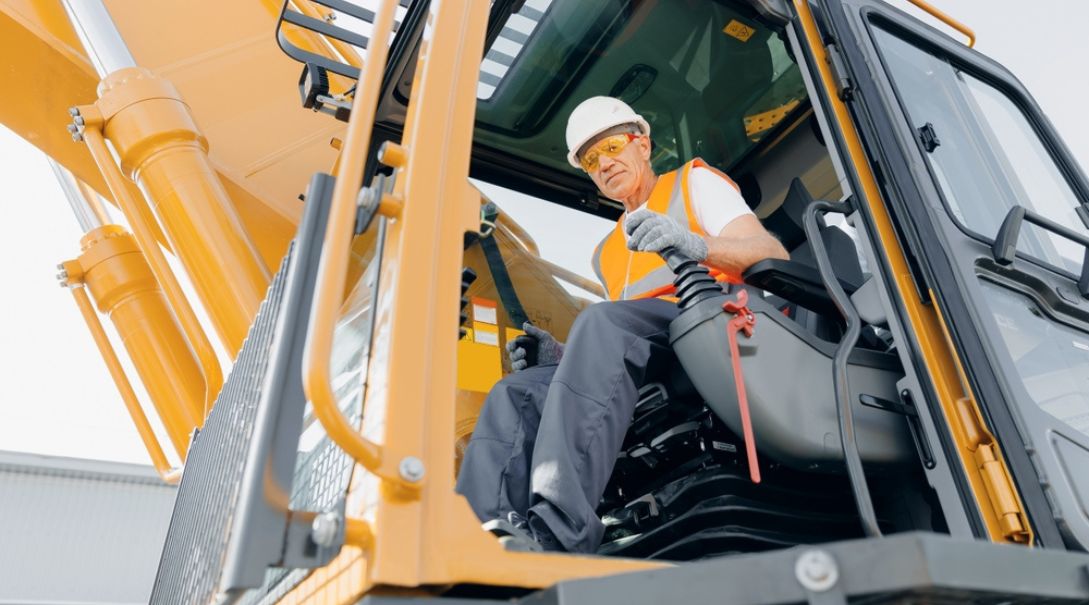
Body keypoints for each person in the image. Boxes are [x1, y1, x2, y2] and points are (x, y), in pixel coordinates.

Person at [456, 96, 789, 554]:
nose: (604, 163)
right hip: (657, 347)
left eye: (612, 146)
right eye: (591, 159)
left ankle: (558, 529)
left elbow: (770, 255)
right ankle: (480, 534)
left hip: (717, 323)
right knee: (517, 391)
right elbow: (619, 336)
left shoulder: (694, 183)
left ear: (643, 145)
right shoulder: (607, 250)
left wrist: (693, 244)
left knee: (599, 323)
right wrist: (561, 356)